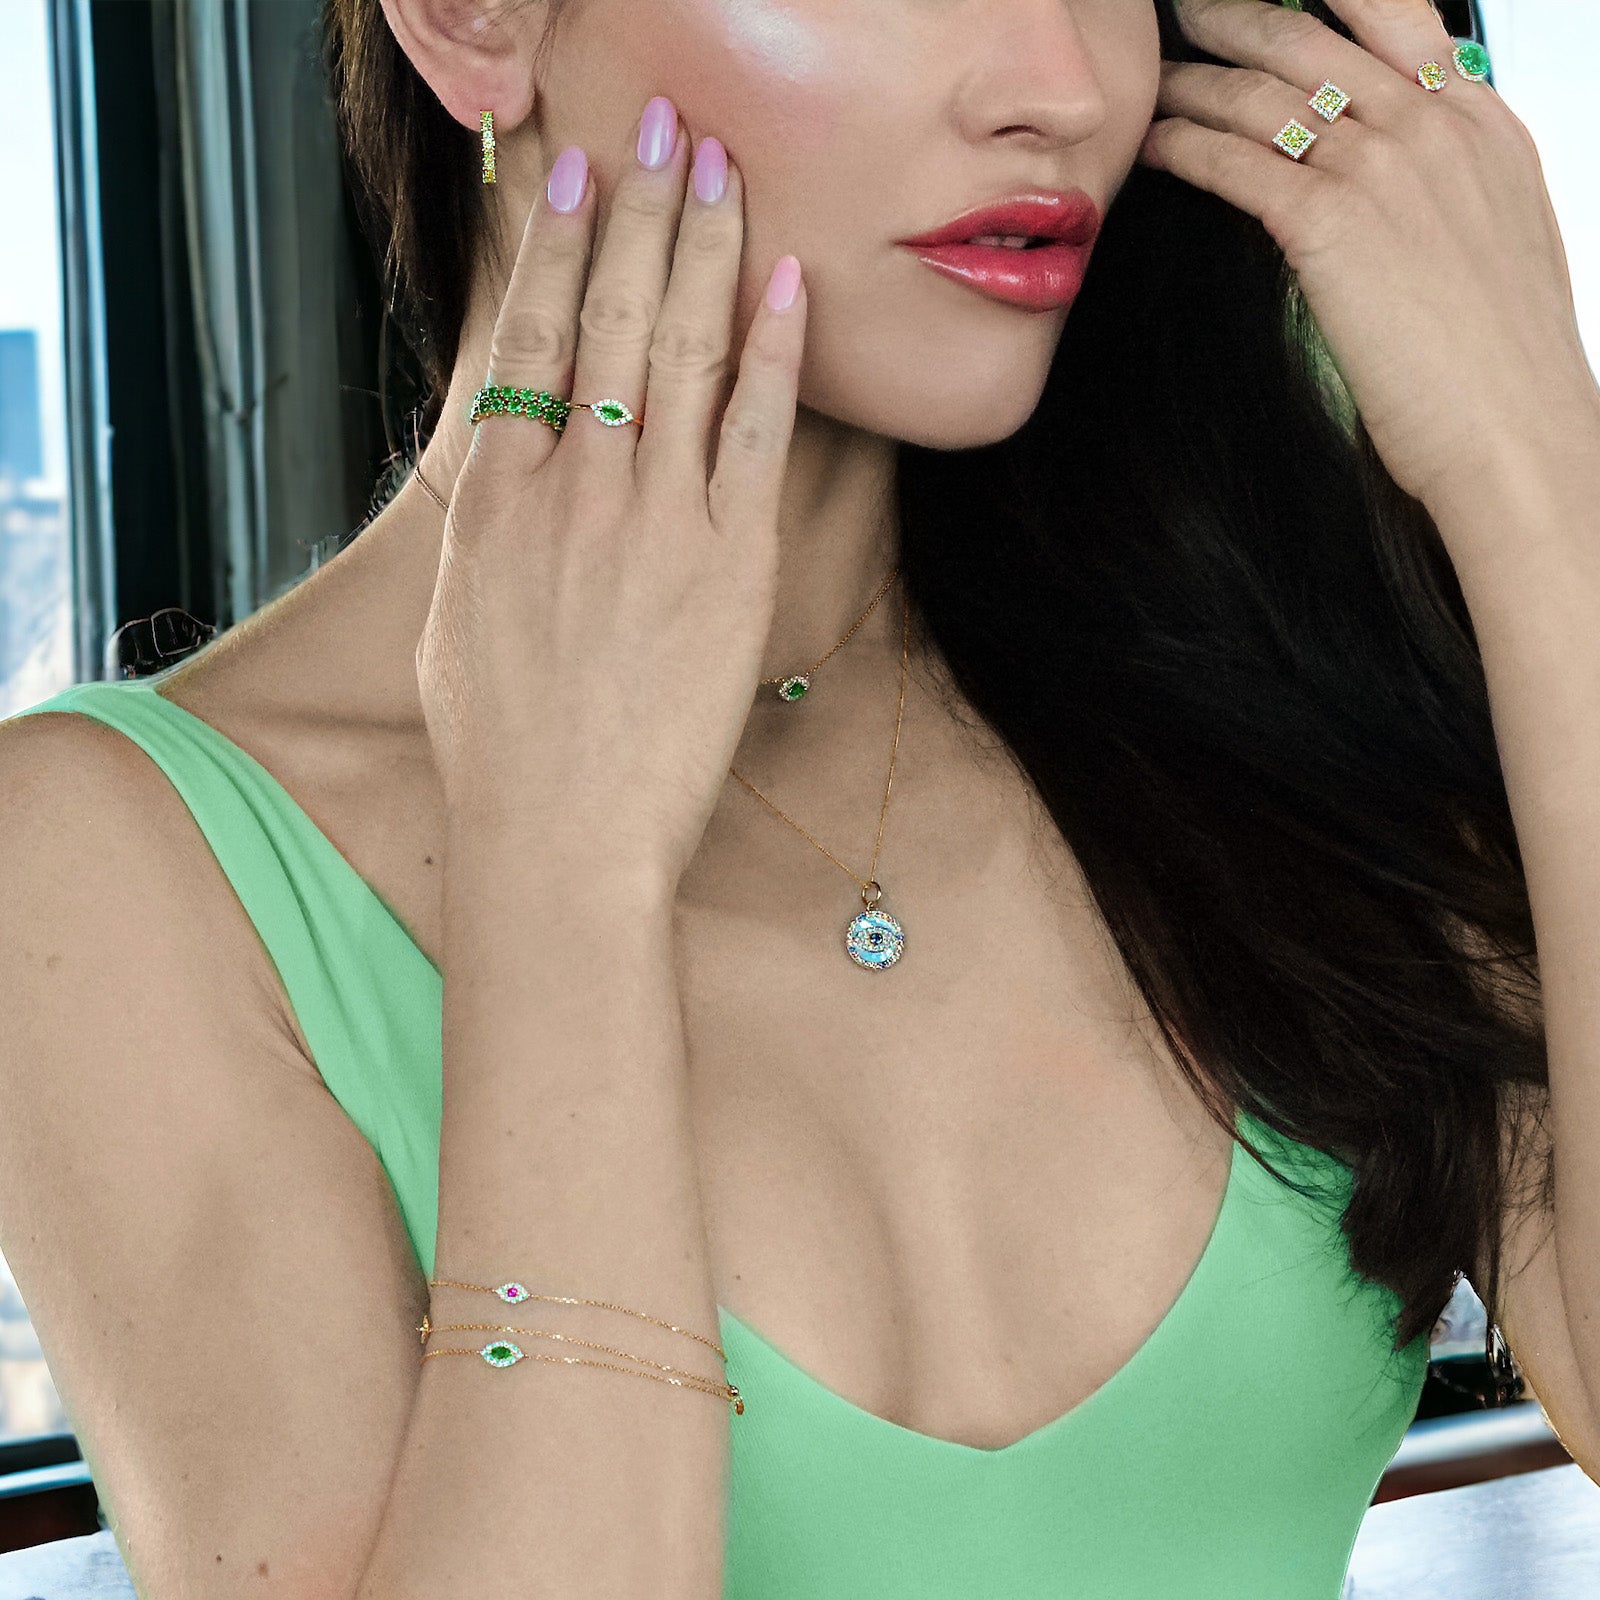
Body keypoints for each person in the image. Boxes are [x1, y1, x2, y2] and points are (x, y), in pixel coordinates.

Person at [2, 0, 1598, 1594]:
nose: (1061, 88)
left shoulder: (1251, 668)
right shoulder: (105, 868)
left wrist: (1536, 467)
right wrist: (563, 878)